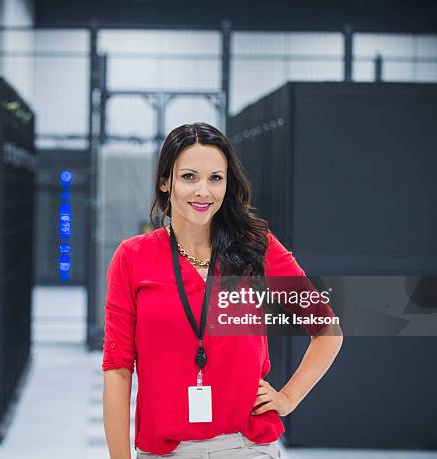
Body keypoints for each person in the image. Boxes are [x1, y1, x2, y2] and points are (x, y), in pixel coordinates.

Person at [102, 122, 343, 458]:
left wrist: (288, 398)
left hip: (246, 447)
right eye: (189, 177)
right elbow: (117, 369)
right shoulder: (133, 258)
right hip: (166, 451)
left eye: (215, 178)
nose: (203, 191)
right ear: (165, 182)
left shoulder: (257, 247)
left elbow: (327, 330)